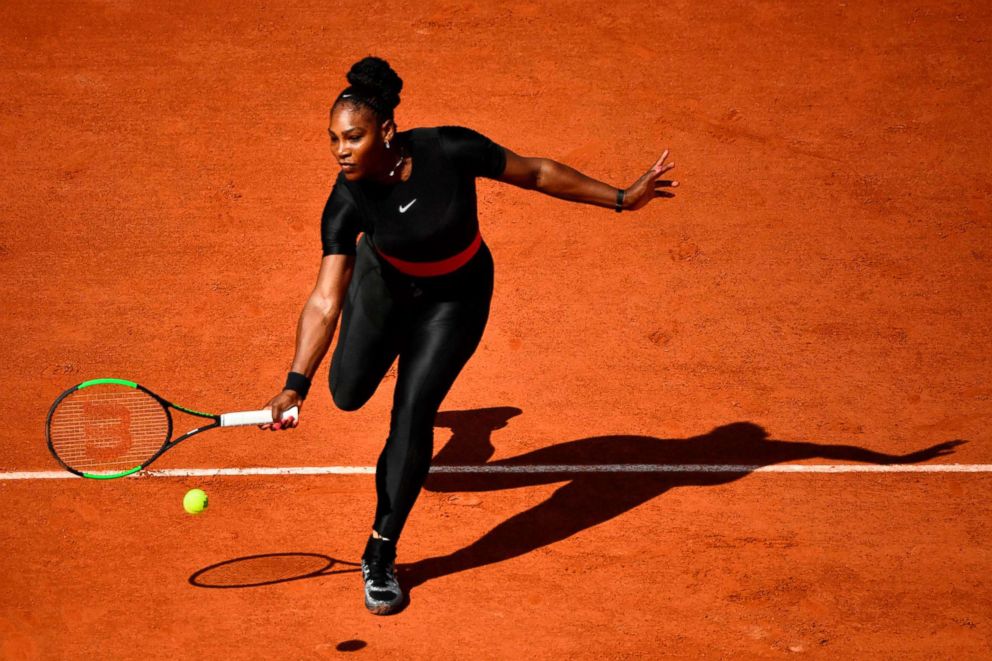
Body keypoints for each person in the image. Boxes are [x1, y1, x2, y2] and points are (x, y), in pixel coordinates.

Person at [260, 55, 678, 615]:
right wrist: (295, 383)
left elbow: (536, 172)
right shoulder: (345, 199)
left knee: (411, 413)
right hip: (384, 290)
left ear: (386, 131)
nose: (340, 150)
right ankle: (439, 402)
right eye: (333, 139)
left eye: (352, 137)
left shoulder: (448, 149)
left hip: (455, 300)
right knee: (348, 393)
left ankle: (380, 553)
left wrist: (624, 198)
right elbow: (324, 298)